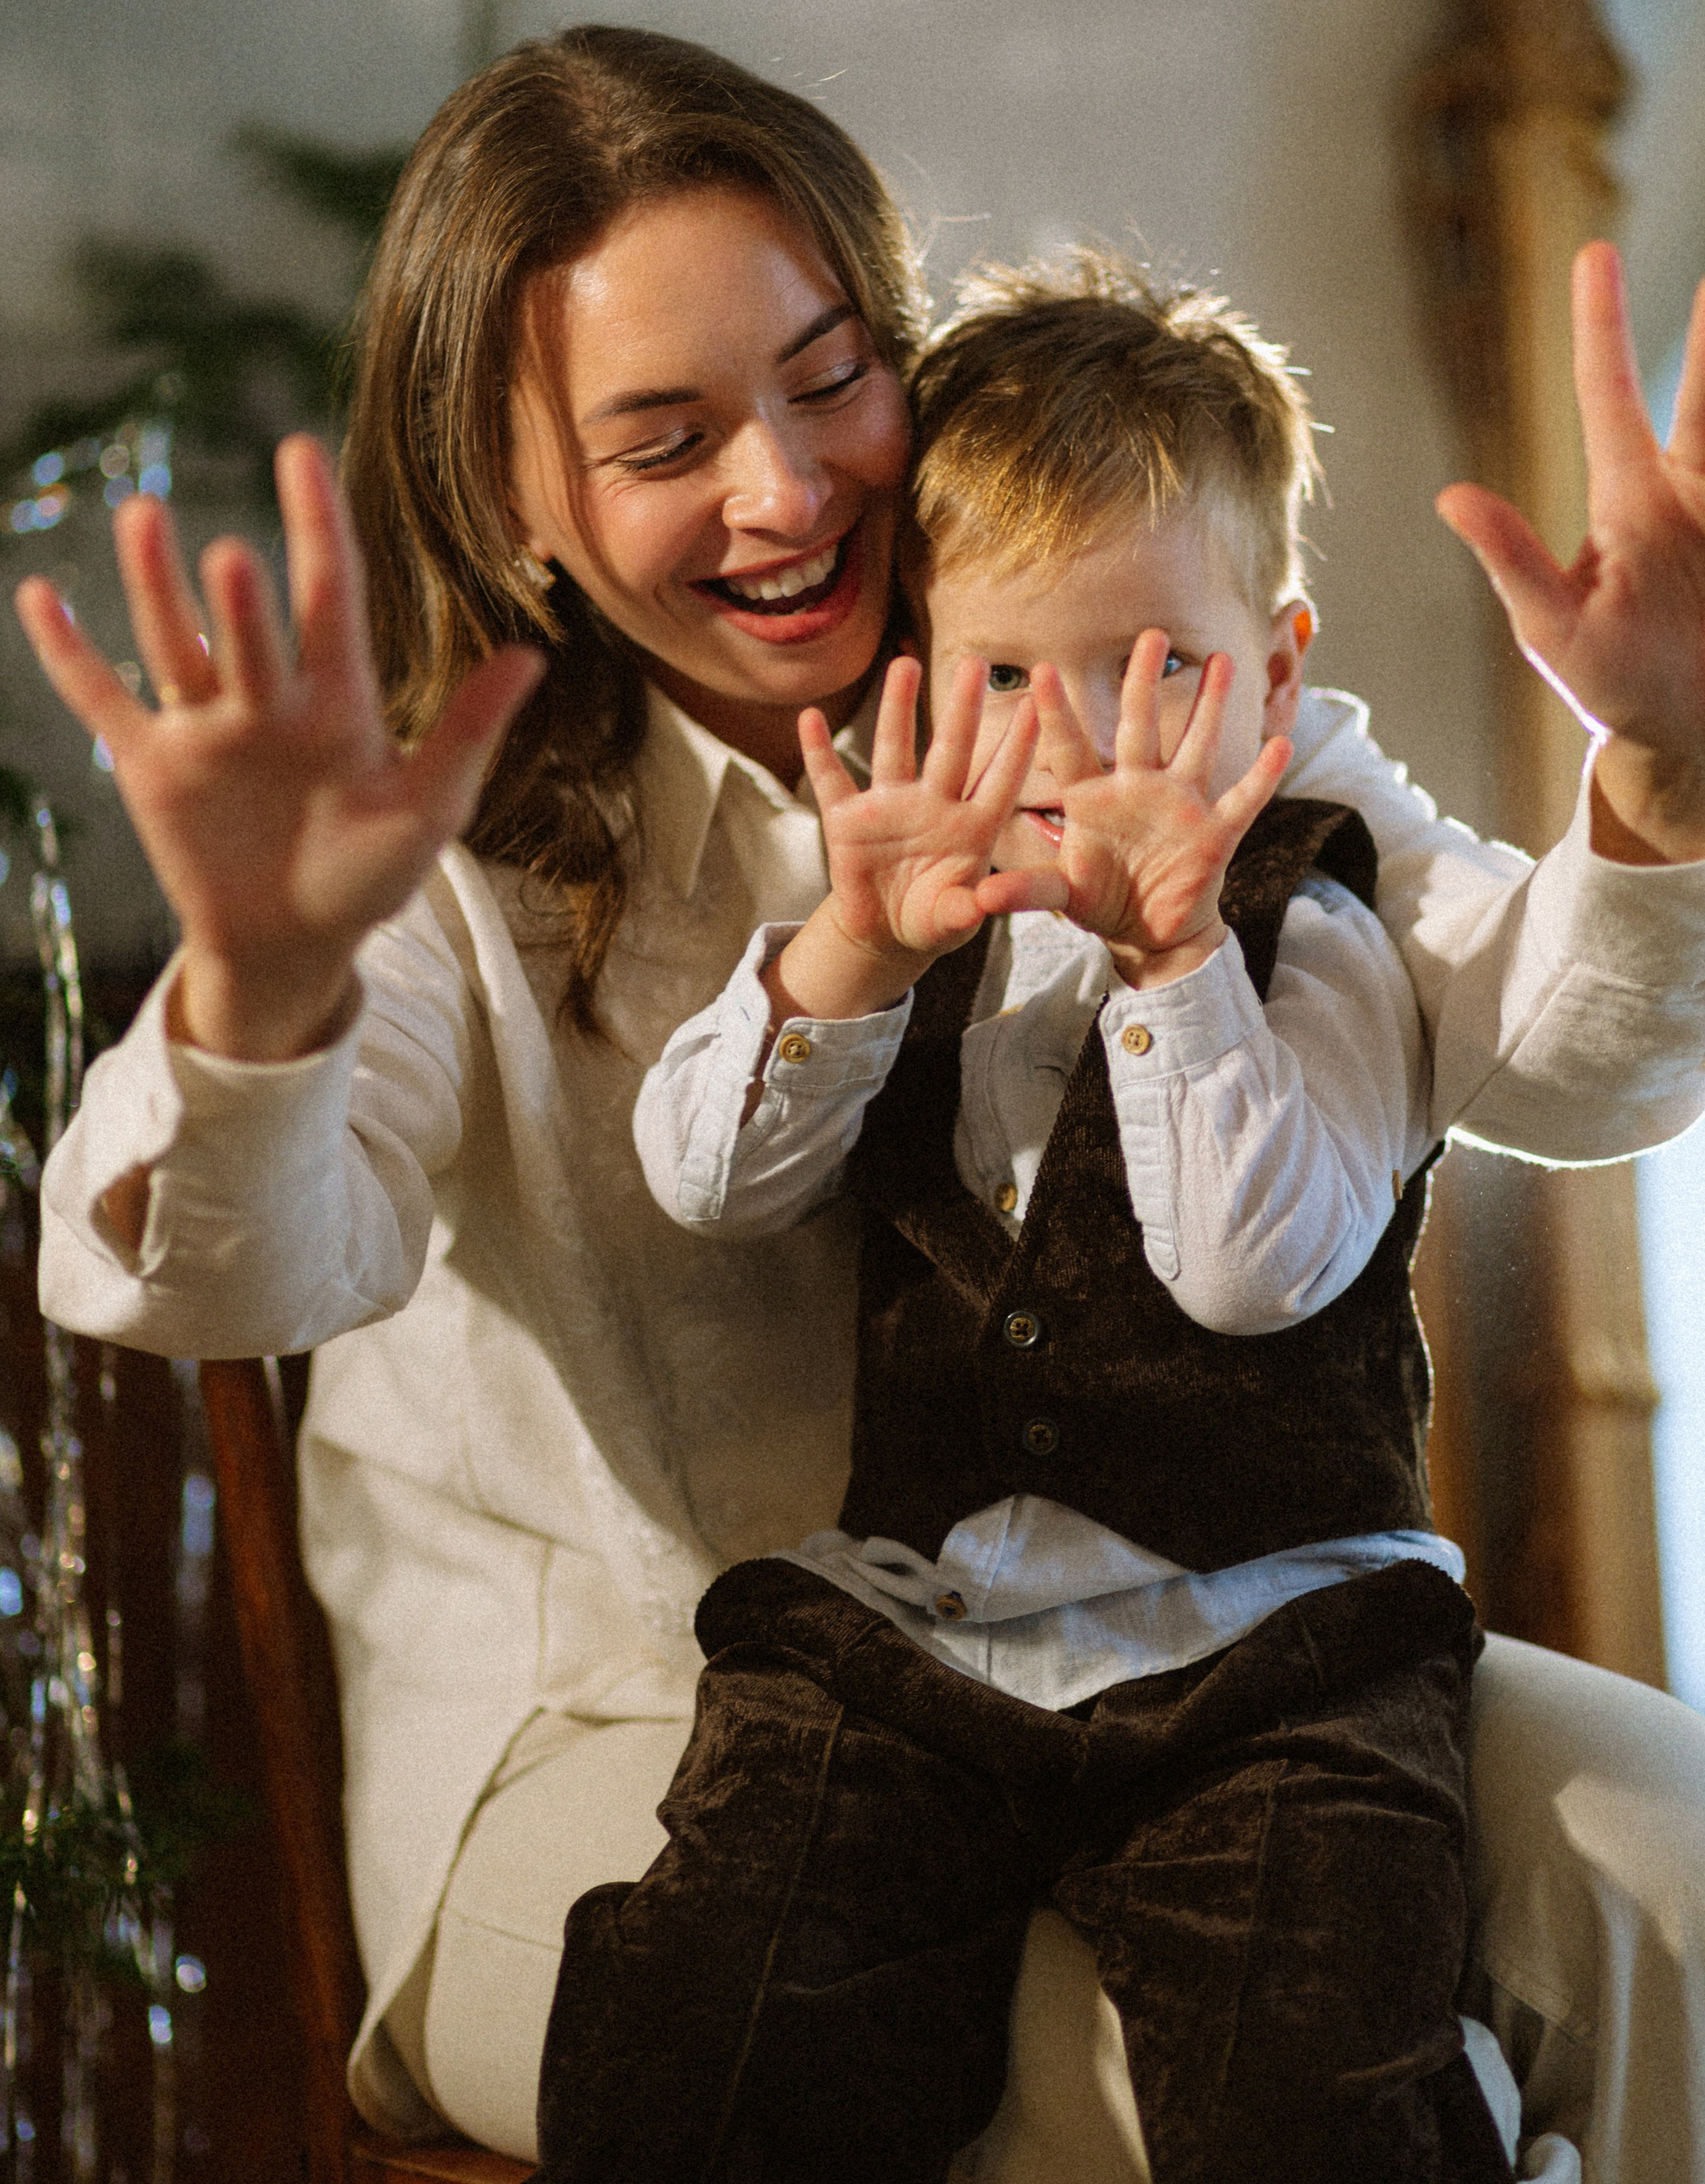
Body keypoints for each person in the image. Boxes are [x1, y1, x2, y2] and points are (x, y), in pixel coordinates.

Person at [15, 26, 1705, 2179]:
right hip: (634, 1731)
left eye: (830, 378)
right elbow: (212, 1270)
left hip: (1197, 1632)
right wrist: (256, 983)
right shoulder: (460, 867)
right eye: (664, 437)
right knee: (1146, 2090)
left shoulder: (1146, 687)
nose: (787, 488)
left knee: (1677, 1867)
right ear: (514, 501)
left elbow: (1561, 1057)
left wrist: (1658, 779)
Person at [591, 252, 1513, 2182]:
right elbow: (708, 1178)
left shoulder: (1318, 924)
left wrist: (1183, 959)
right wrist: (841, 947)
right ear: (922, 676)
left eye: (1161, 669)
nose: (1090, 742)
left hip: (1280, 1654)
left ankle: (1456, 2110)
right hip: (928, 1630)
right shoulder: (899, 906)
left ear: (1275, 668)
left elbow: (1254, 1270)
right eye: (1013, 678)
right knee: (710, 2031)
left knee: (1306, 2086)